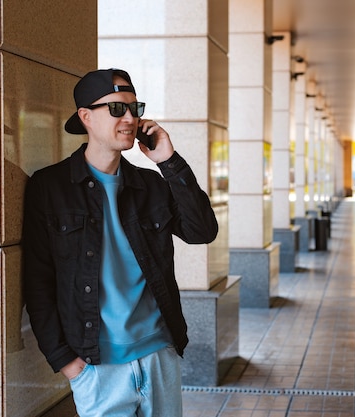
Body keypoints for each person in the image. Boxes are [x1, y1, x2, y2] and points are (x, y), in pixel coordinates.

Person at [22, 68, 218, 416]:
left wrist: (169, 162)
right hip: (97, 367)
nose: (129, 118)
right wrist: (67, 362)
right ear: (86, 117)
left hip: (159, 354)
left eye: (134, 108)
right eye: (116, 109)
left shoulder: (151, 186)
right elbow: (38, 282)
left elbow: (202, 231)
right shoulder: (49, 188)